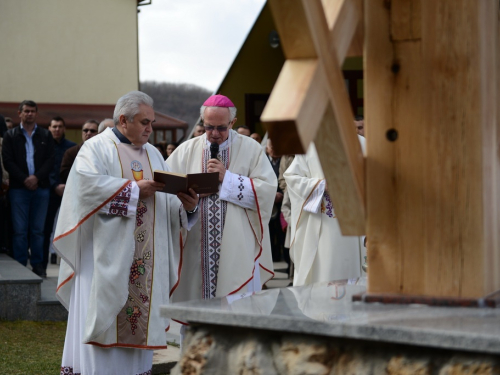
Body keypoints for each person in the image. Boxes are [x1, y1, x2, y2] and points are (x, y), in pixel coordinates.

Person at [54, 91, 199, 375]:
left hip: (144, 265)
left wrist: (188, 207)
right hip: (100, 261)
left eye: (152, 122)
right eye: (145, 122)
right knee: (104, 323)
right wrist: (134, 190)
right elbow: (84, 191)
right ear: (123, 120)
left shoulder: (154, 154)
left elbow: (168, 205)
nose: (150, 129)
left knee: (137, 330)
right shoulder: (95, 148)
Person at [166, 94, 276, 306]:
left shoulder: (251, 149)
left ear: (232, 123)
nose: (214, 134)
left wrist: (229, 179)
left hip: (237, 246)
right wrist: (189, 204)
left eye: (221, 128)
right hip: (194, 247)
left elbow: (267, 191)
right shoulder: (186, 151)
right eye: (209, 127)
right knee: (195, 309)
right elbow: (165, 192)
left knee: (237, 308)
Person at [284, 139, 366, 286]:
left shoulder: (362, 144)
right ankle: (322, 307)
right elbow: (292, 178)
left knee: (352, 273)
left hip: (355, 225)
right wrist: (320, 185)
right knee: (324, 269)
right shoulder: (310, 146)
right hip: (322, 227)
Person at [1, 100, 55, 276]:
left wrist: (36, 177)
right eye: (26, 111)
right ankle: (20, 265)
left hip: (41, 188)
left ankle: (38, 266)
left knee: (38, 230)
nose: (29, 114)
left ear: (36, 113)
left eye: (32, 111)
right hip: (19, 188)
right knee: (19, 231)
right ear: (20, 113)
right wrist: (25, 179)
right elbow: (8, 160)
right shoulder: (11, 135)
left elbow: (50, 160)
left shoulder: (46, 136)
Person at [43, 117, 76, 270]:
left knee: (68, 227)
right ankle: (42, 264)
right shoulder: (43, 144)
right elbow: (43, 168)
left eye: (60, 126)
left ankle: (67, 263)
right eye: (54, 126)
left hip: (69, 192)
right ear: (49, 128)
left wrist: (66, 186)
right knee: (45, 228)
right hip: (49, 192)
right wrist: (54, 185)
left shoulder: (72, 147)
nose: (57, 129)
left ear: (64, 128)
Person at [266, 139, 285, 262]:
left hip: (283, 200)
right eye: (271, 147)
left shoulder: (285, 159)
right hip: (267, 200)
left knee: (281, 231)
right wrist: (270, 194)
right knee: (269, 232)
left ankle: (281, 256)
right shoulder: (262, 159)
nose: (273, 150)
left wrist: (282, 194)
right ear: (267, 148)